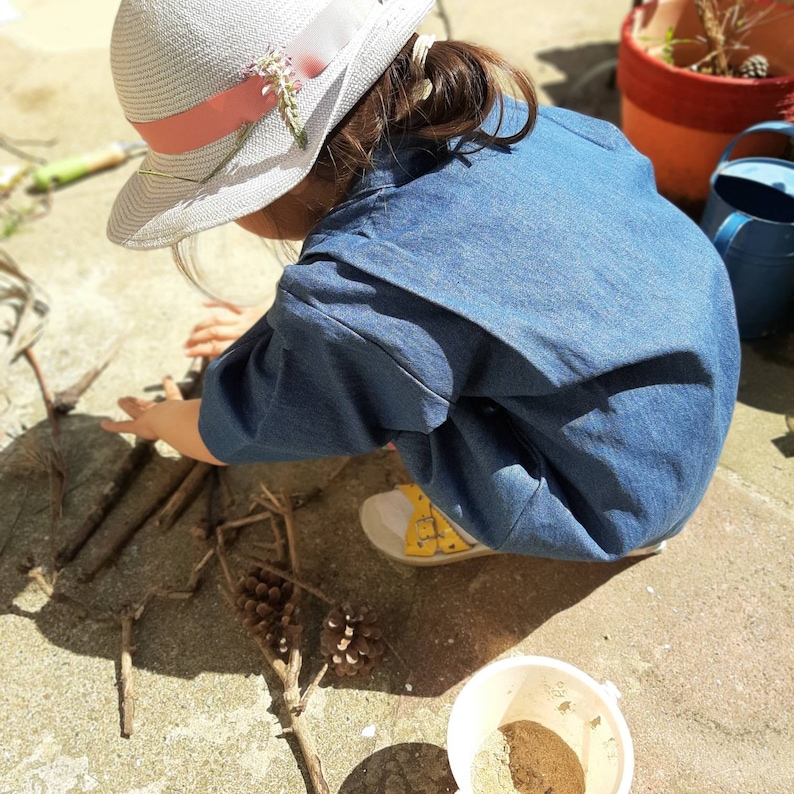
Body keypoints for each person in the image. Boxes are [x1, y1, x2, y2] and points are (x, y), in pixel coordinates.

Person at [101, 0, 741, 565]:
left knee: (382, 377)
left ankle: (509, 519)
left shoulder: (350, 299)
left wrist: (166, 419)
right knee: (403, 346)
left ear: (268, 183)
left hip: (606, 499)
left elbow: (246, 425)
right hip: (698, 377)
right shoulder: (505, 117)